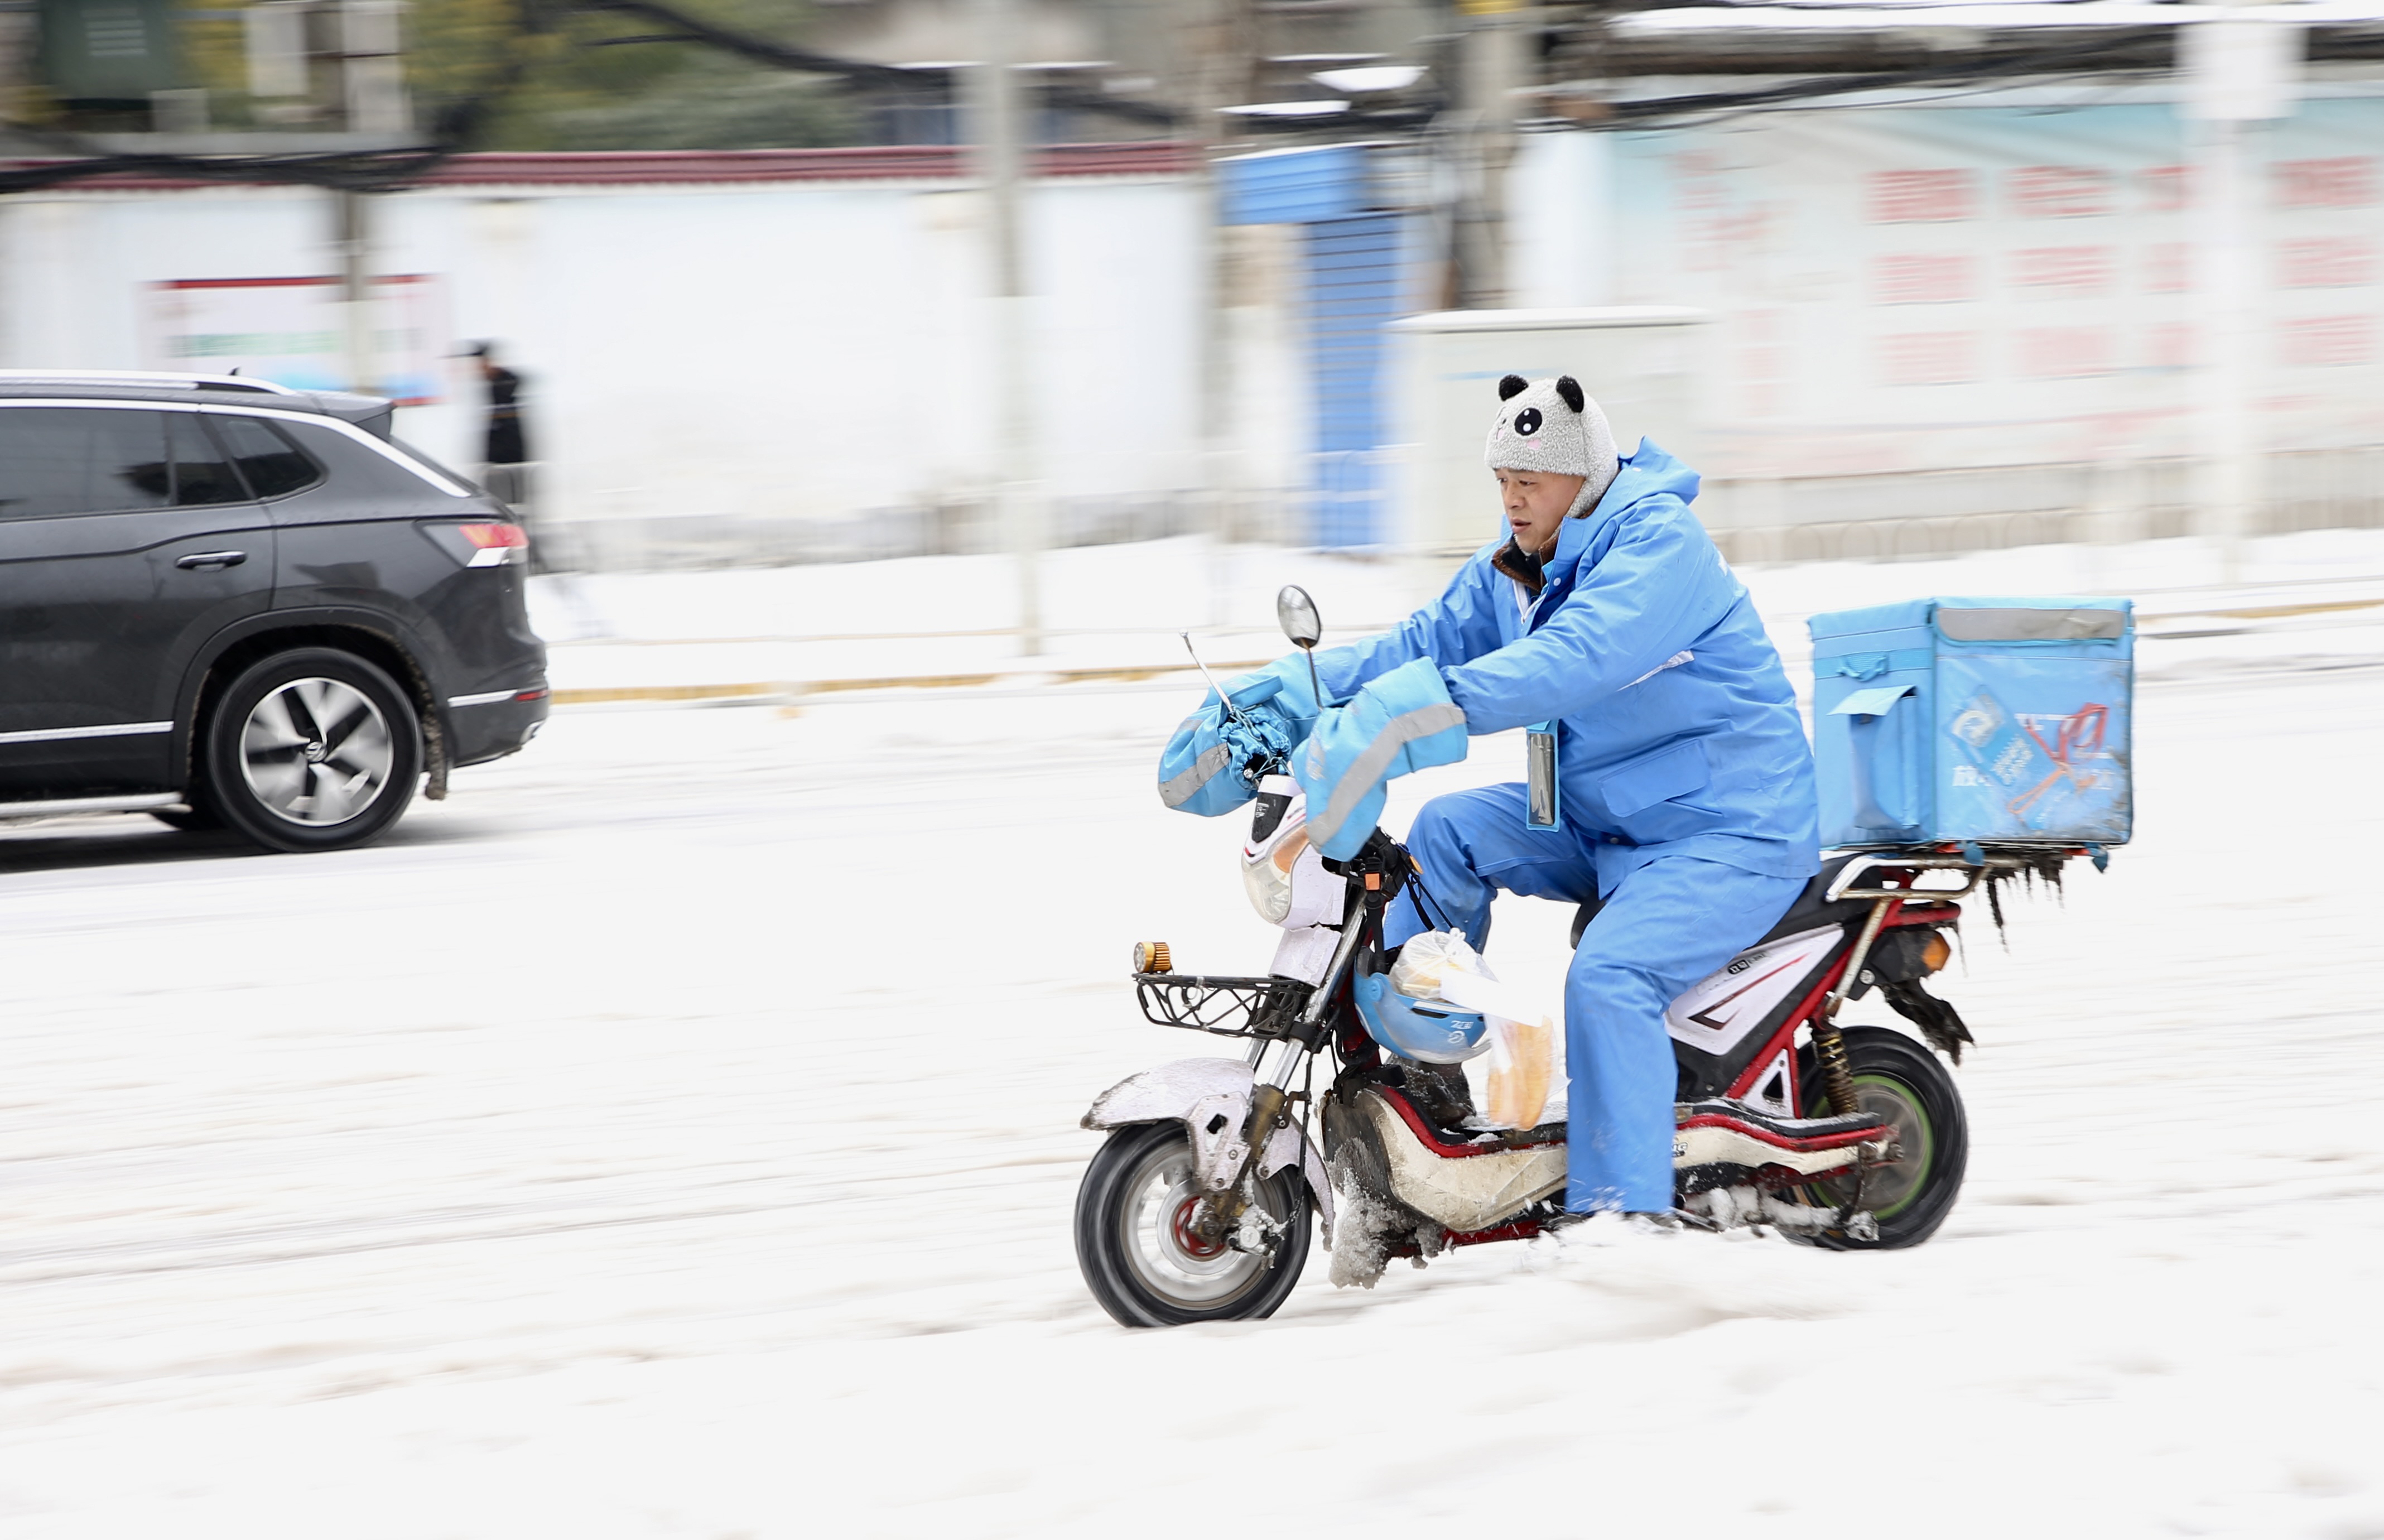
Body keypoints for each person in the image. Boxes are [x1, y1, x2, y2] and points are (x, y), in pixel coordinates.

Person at [1162, 374, 1819, 1222]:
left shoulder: (1659, 546)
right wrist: (1292, 694)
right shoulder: (1518, 567)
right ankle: (1420, 1078)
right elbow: (1416, 646)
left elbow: (1571, 658)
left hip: (1728, 830)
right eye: (1502, 479)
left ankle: (1622, 1216)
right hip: (1606, 820)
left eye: (1529, 481)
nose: (1511, 498)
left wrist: (1401, 720)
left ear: (1582, 478)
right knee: (1442, 837)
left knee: (1609, 978)